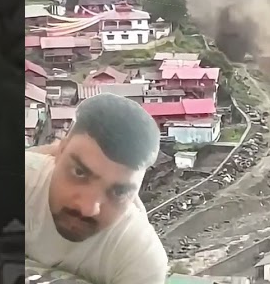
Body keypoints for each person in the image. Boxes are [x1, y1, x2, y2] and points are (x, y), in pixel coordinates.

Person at [25, 92, 169, 283]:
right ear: (60, 150)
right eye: (79, 172)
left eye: (119, 192)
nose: (88, 208)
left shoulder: (138, 258)